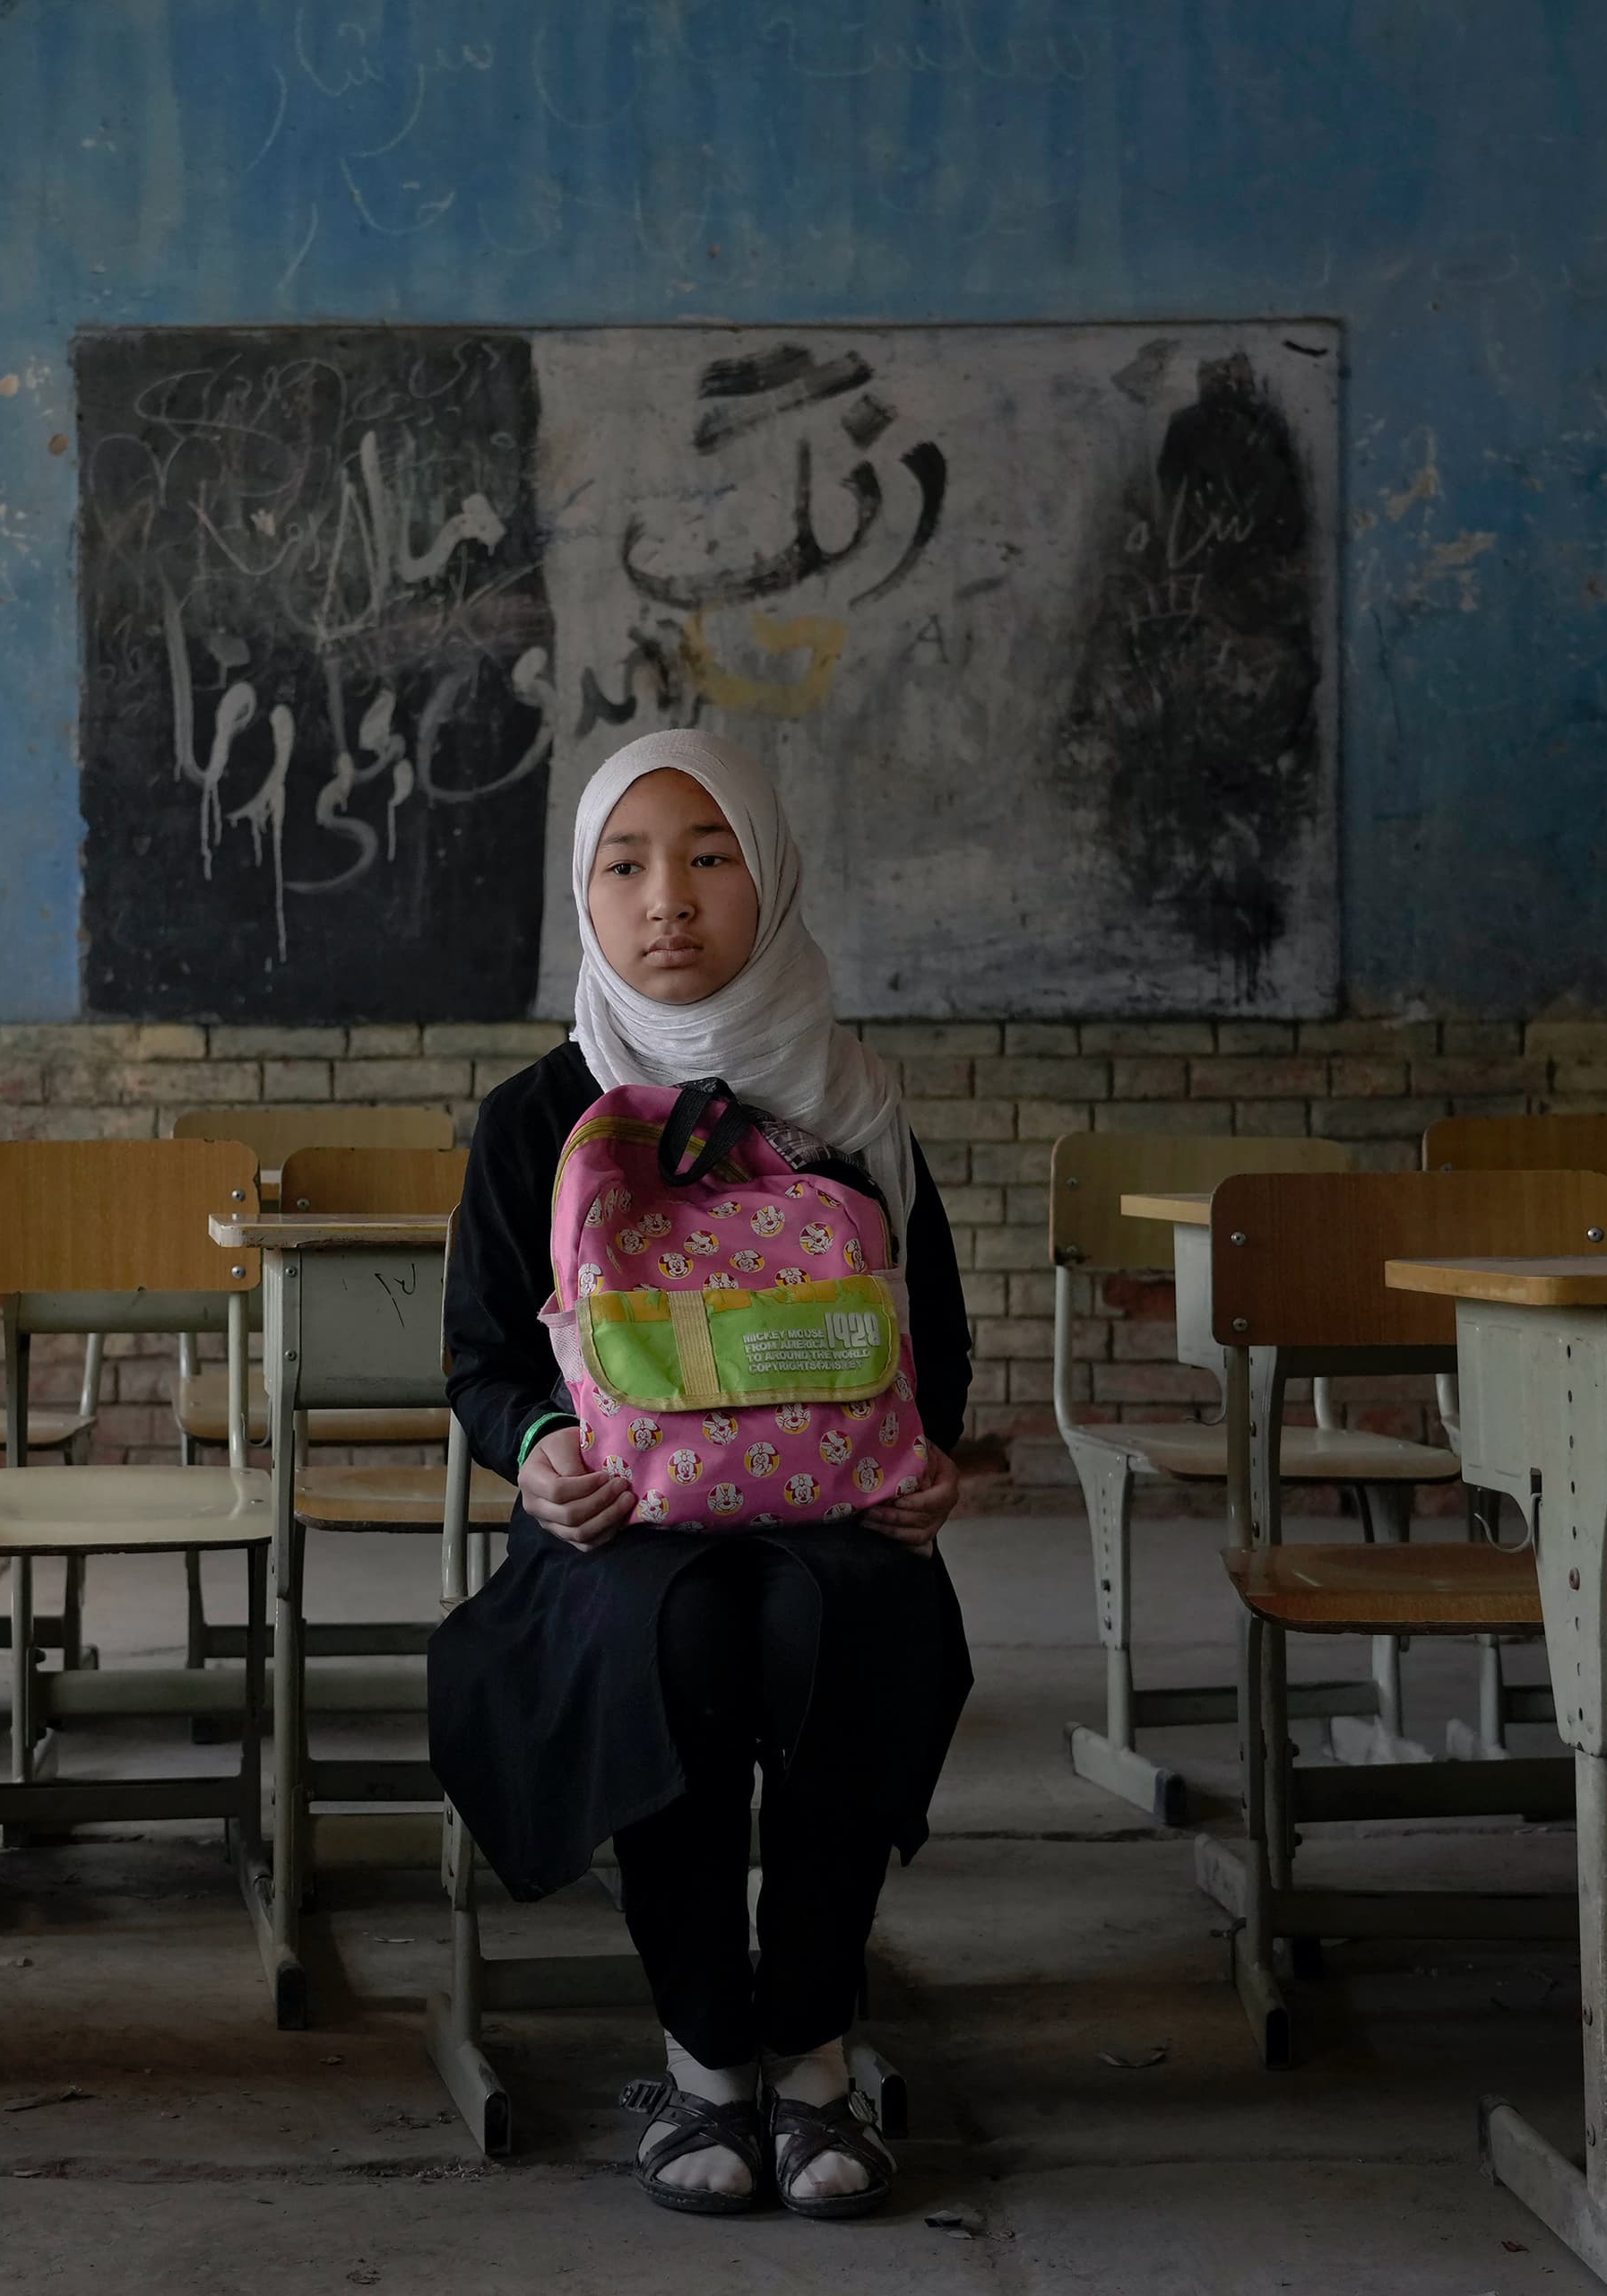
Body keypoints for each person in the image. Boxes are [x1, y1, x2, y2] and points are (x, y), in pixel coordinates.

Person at [429, 727, 975, 2220]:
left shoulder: (852, 1101)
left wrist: (931, 1468)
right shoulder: (540, 1119)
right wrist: (539, 1454)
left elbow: (931, 1346)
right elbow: (485, 1359)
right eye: (627, 865)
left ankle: (810, 2052)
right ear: (586, 904)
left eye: (709, 856)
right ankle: (704, 2058)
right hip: (620, 1528)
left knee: (834, 1625)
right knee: (671, 1635)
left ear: (772, 878)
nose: (669, 897)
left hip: (835, 1516)